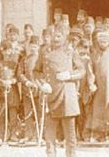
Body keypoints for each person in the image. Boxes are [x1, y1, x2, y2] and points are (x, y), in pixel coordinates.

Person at [34, 25, 85, 157]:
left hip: (67, 95)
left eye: (59, 36)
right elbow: (36, 71)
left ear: (64, 37)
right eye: (53, 36)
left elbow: (81, 70)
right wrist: (42, 84)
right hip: (50, 95)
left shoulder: (70, 51)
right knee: (49, 135)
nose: (55, 39)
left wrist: (70, 75)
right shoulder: (44, 52)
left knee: (70, 135)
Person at [90, 31, 109, 142]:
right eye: (101, 41)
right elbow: (90, 71)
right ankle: (100, 134)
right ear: (98, 42)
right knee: (99, 110)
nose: (103, 43)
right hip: (99, 88)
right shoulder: (94, 55)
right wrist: (91, 84)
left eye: (105, 41)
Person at [0, 41, 21, 145]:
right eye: (5, 50)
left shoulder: (14, 64)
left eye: (9, 50)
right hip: (1, 92)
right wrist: (2, 82)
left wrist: (12, 81)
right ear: (2, 51)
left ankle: (13, 135)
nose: (7, 53)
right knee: (1, 114)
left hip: (12, 91)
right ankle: (2, 135)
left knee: (13, 113)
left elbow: (18, 76)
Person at [17, 36, 41, 144]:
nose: (33, 48)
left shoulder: (42, 58)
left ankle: (40, 135)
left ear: (38, 47)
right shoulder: (24, 59)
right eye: (31, 46)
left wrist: (38, 84)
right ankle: (28, 135)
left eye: (35, 46)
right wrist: (27, 82)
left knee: (40, 113)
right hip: (27, 90)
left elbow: (45, 73)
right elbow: (19, 73)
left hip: (39, 90)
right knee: (28, 114)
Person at [76, 39, 96, 142]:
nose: (84, 50)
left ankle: (86, 134)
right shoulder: (74, 59)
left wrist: (91, 85)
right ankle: (79, 134)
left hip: (86, 90)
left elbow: (90, 74)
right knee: (79, 113)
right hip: (77, 89)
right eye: (82, 47)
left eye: (86, 48)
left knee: (88, 112)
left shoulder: (88, 60)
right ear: (78, 47)